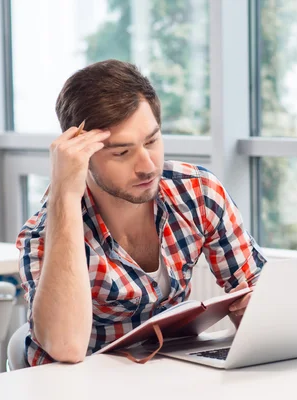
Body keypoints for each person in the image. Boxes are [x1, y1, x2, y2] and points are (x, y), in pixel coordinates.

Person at [16, 59, 266, 367]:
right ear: (81, 155)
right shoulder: (45, 232)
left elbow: (261, 291)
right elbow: (66, 347)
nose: (147, 166)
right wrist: (65, 194)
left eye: (152, 141)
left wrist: (255, 313)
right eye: (121, 152)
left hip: (166, 379)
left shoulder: (197, 193)